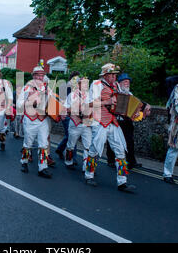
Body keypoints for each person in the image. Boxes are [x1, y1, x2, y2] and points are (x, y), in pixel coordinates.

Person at [84, 63, 134, 191]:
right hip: (99, 120)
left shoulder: (117, 85)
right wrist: (107, 102)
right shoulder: (96, 84)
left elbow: (125, 100)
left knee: (120, 150)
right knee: (95, 149)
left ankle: (122, 182)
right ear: (105, 75)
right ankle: (89, 175)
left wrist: (133, 111)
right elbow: (89, 104)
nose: (114, 77)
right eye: (111, 74)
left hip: (113, 121)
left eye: (115, 74)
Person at [106, 73, 151, 170]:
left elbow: (137, 104)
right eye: (125, 81)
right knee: (113, 141)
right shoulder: (115, 92)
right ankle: (111, 160)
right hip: (116, 120)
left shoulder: (129, 94)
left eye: (128, 82)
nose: (127, 83)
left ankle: (131, 162)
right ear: (119, 83)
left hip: (127, 122)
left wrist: (145, 107)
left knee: (130, 141)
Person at [17, 66, 53, 178]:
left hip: (43, 119)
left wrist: (56, 109)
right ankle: (24, 162)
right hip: (31, 118)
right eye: (37, 75)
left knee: (43, 144)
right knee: (28, 142)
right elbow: (19, 104)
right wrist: (30, 103)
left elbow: (53, 102)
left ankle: (43, 167)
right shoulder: (27, 87)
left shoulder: (48, 88)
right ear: (33, 76)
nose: (40, 77)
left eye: (42, 75)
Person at [63, 75, 92, 171]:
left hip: (87, 123)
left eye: (87, 83)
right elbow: (66, 109)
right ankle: (68, 162)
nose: (85, 85)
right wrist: (77, 108)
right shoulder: (71, 95)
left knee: (88, 146)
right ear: (78, 85)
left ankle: (87, 167)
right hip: (75, 123)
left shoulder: (90, 96)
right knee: (71, 145)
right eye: (83, 83)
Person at [55, 71, 80, 160]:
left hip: (73, 114)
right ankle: (72, 158)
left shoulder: (76, 88)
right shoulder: (65, 87)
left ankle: (60, 149)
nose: (77, 80)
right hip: (66, 114)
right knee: (72, 134)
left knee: (70, 135)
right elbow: (61, 102)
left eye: (78, 79)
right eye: (75, 78)